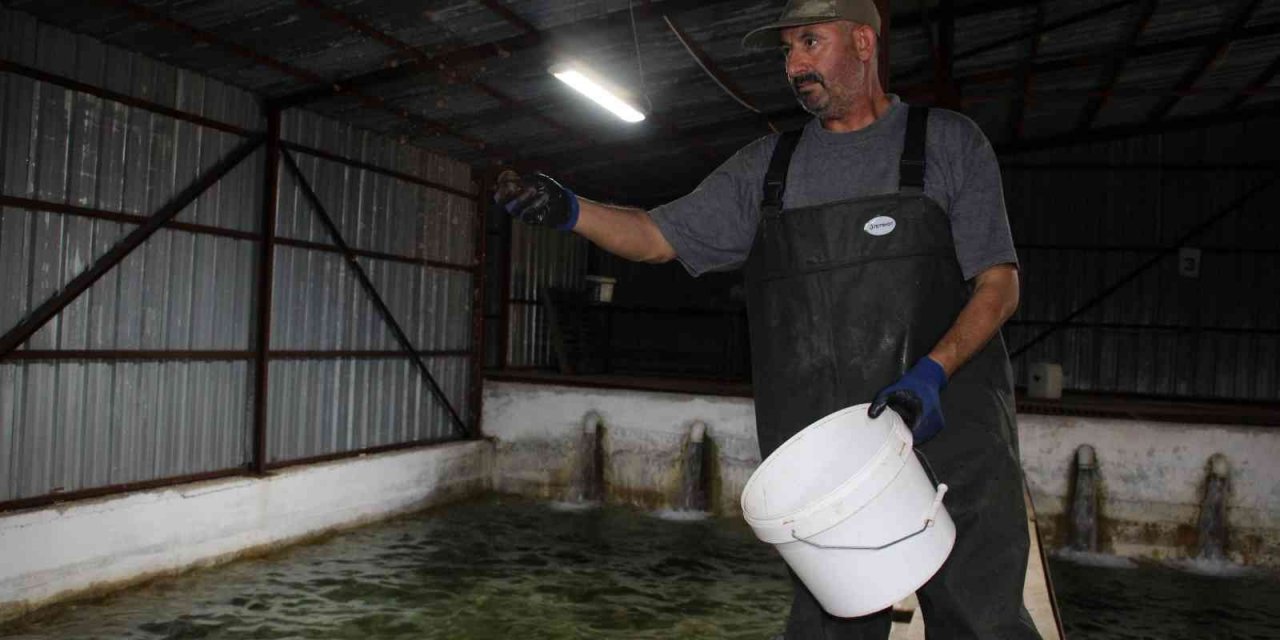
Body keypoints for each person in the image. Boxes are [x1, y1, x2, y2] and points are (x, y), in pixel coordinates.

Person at [495, 0, 1041, 637]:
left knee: (982, 619)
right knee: (831, 623)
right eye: (788, 51)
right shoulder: (766, 170)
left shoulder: (947, 143)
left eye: (810, 42)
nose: (795, 64)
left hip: (951, 435)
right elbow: (653, 235)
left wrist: (932, 373)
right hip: (827, 467)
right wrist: (568, 209)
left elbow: (1000, 286)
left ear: (864, 43)